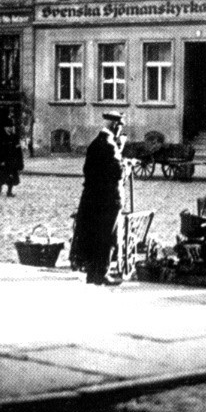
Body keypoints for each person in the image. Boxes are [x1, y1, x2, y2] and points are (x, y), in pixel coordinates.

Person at [70, 111, 126, 285]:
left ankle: (92, 274)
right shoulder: (110, 146)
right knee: (107, 237)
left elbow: (89, 171)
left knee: (95, 235)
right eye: (120, 127)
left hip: (94, 198)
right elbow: (118, 173)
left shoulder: (96, 143)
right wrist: (124, 159)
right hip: (109, 200)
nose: (120, 131)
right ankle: (101, 274)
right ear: (115, 126)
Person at [0, 121, 23, 197]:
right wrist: (1, 161)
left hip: (13, 160)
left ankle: (9, 191)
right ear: (5, 128)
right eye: (8, 127)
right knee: (5, 176)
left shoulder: (15, 137)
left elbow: (18, 150)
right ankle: (1, 185)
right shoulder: (1, 137)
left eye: (11, 127)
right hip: (4, 160)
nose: (10, 128)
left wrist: (20, 162)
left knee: (13, 177)